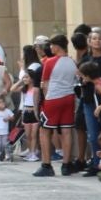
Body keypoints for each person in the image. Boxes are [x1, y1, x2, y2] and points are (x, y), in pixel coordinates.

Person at [36, 36, 78, 176]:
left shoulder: (50, 62)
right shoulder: (72, 62)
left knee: (45, 130)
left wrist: (45, 99)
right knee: (66, 130)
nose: (50, 48)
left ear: (56, 46)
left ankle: (46, 164)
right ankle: (66, 164)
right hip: (69, 97)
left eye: (52, 45)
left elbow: (44, 84)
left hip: (53, 98)